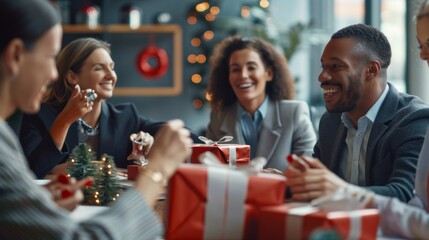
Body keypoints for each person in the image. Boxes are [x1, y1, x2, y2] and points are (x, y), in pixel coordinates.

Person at [0, 0, 192, 238]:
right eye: (50, 57)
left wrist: (40, 203)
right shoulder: (22, 128)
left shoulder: (125, 116)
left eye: (111, 67)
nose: (52, 73)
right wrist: (156, 173)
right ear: (16, 55)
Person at [285, 23, 429, 204]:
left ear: (371, 70)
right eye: (323, 67)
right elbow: (317, 186)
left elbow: (406, 194)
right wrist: (285, 183)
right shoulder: (331, 121)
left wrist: (340, 190)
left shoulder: (414, 120)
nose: (322, 77)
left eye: (336, 66)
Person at [19, 37, 193, 179]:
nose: (111, 76)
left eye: (112, 68)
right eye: (99, 68)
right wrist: (64, 121)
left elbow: (178, 133)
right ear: (72, 76)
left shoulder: (125, 117)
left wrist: (149, 143)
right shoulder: (40, 114)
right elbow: (31, 171)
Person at [205, 35, 316, 172]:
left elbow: (309, 170)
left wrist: (279, 179)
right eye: (235, 69)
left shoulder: (294, 112)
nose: (243, 75)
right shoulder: (218, 117)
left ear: (268, 73)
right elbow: (210, 170)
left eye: (251, 67)